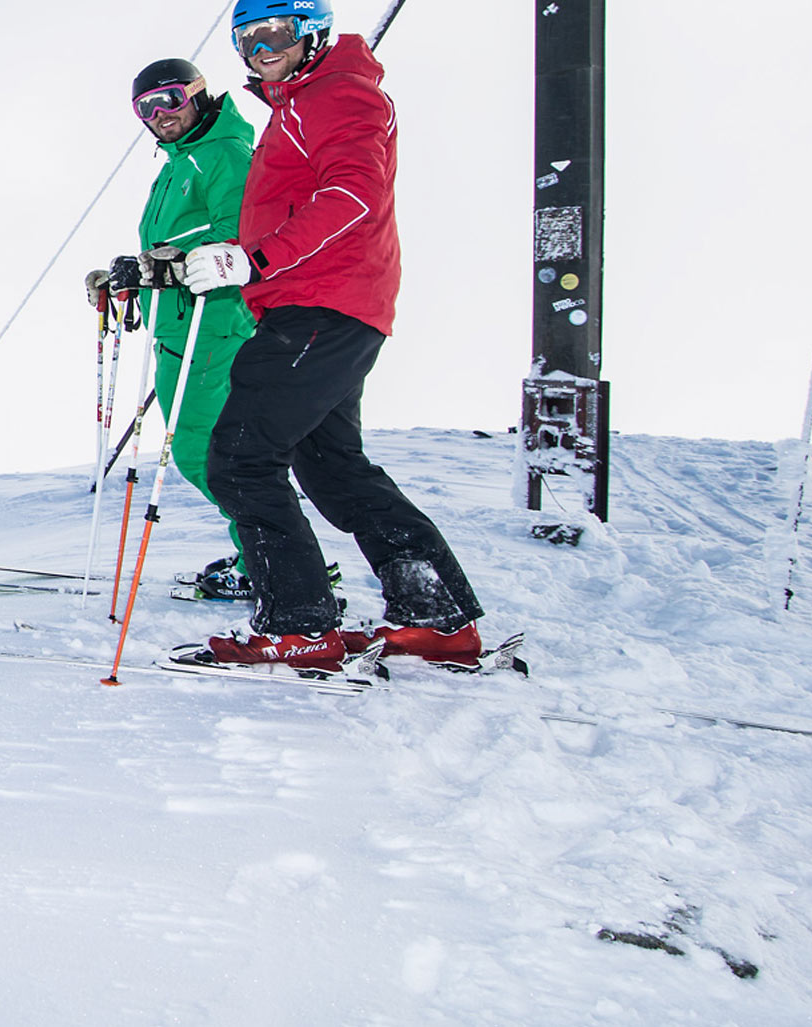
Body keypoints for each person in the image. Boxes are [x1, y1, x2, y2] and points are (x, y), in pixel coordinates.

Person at [179, 0, 485, 669]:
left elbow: (353, 192)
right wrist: (227, 255)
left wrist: (252, 260)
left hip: (320, 304)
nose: (262, 48)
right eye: (247, 38)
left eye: (277, 32)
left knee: (238, 454)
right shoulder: (297, 104)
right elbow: (293, 209)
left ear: (311, 32)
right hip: (327, 302)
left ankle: (296, 626)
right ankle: (434, 618)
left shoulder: (336, 94)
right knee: (331, 466)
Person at [96, 57, 263, 599]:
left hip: (211, 324)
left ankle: (270, 560)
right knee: (206, 448)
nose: (158, 115)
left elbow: (238, 235)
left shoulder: (222, 154)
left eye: (168, 99)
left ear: (197, 92)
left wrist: (160, 264)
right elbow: (169, 249)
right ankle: (261, 552)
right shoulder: (177, 161)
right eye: (145, 108)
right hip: (178, 326)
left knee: (204, 449)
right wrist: (131, 277)